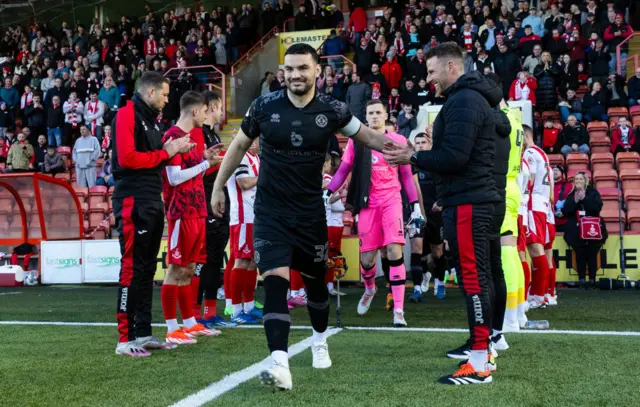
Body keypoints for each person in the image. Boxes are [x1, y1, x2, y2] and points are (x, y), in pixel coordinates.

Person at [211, 44, 393, 391]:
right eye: (290, 69)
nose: (295, 75)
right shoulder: (264, 106)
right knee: (276, 281)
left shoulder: (332, 108)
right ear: (283, 72)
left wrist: (399, 149)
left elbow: (365, 136)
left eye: (303, 69)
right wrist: (218, 186)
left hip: (310, 214)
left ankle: (319, 340)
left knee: (315, 289)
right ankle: (280, 362)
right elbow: (236, 146)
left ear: (317, 72)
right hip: (270, 212)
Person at [383, 42, 502, 385]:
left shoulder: (464, 100)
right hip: (472, 199)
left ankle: (479, 363)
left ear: (452, 68)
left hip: (470, 203)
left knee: (474, 279)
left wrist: (413, 157)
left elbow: (454, 157)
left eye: (433, 71)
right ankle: (485, 352)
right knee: (479, 276)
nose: (428, 78)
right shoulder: (469, 99)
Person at [112, 71, 195, 357]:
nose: (166, 99)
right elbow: (127, 158)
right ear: (150, 92)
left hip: (151, 198)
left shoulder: (151, 120)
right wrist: (166, 152)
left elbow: (154, 160)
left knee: (148, 268)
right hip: (132, 199)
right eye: (164, 94)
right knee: (132, 266)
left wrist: (175, 150)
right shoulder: (126, 115)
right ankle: (125, 339)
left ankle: (144, 332)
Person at [327, 100, 422, 327]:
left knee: (394, 249)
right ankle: (370, 288)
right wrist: (329, 191)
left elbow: (407, 177)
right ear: (366, 117)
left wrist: (416, 204)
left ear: (386, 115)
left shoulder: (398, 141)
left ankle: (398, 311)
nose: (375, 116)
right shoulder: (356, 142)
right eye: (371, 113)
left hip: (392, 201)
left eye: (379, 112)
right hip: (367, 204)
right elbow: (344, 169)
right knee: (367, 259)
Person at [160, 91, 222, 345]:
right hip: (180, 211)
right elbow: (174, 178)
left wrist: (207, 159)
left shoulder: (193, 137)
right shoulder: (172, 137)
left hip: (197, 210)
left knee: (188, 268)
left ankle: (189, 323)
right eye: (206, 111)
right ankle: (171, 328)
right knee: (175, 268)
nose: (208, 115)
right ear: (195, 111)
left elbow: (193, 172)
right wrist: (205, 165)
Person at [193, 91, 237, 329]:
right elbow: (198, 170)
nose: (222, 113)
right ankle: (195, 314)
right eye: (220, 108)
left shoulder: (212, 135)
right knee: (206, 260)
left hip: (219, 202)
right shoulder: (198, 134)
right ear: (210, 107)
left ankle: (210, 314)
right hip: (205, 204)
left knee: (215, 260)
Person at [226, 138, 262, 324]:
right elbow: (244, 183)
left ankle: (248, 306)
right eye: (254, 139)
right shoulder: (241, 157)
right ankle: (235, 310)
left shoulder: (255, 158)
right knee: (241, 261)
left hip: (254, 216)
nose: (258, 142)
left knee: (253, 262)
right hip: (242, 217)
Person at [521, 124, 553, 309]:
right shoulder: (542, 153)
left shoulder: (529, 154)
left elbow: (530, 180)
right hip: (542, 205)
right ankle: (541, 294)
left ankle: (537, 295)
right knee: (539, 250)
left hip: (533, 204)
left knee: (534, 250)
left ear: (525, 136)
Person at [413, 132, 445, 299]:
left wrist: (441, 202)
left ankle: (440, 282)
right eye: (417, 143)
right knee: (419, 251)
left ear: (429, 144)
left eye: (423, 142)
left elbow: (445, 185)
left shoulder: (436, 164)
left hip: (434, 213)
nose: (420, 145)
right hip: (417, 213)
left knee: (437, 252)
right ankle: (419, 286)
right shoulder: (412, 165)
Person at [561, 172, 607, 289]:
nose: (578, 181)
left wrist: (585, 199)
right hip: (576, 230)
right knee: (580, 256)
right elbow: (566, 211)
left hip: (593, 229)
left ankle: (592, 280)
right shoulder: (571, 194)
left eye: (580, 179)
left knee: (592, 255)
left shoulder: (593, 193)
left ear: (585, 180)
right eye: (576, 179)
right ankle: (581, 279)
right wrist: (575, 201)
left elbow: (597, 208)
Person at [322, 154, 346, 297]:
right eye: (330, 162)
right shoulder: (328, 180)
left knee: (333, 256)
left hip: (335, 224)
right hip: (330, 224)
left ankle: (329, 285)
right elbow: (333, 205)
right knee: (328, 256)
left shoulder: (329, 180)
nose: (331, 165)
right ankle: (327, 286)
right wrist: (343, 198)